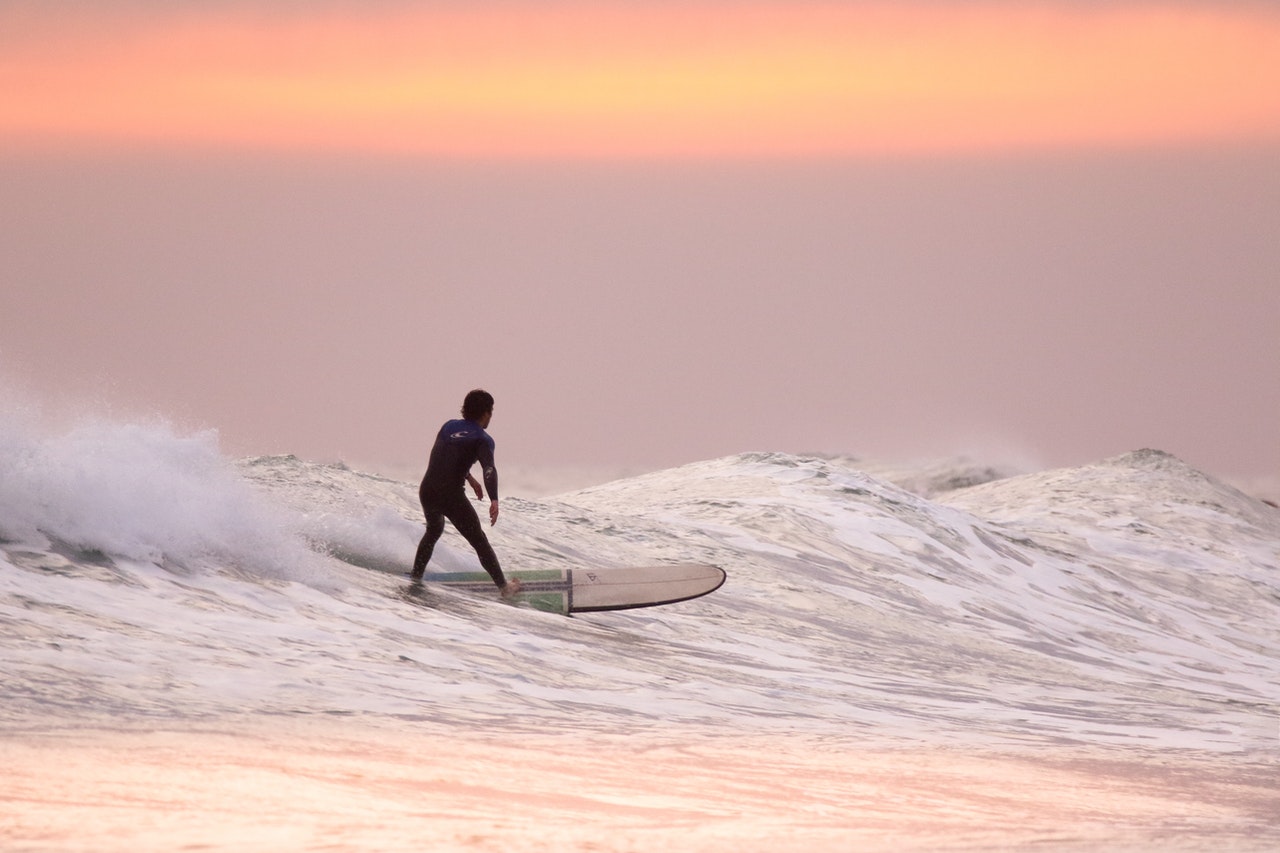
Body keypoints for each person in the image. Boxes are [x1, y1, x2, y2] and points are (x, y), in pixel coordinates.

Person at [411, 389, 521, 598]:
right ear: (486, 413)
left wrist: (468, 478)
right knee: (479, 541)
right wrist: (494, 498)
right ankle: (504, 588)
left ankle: (416, 577)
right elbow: (489, 469)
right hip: (450, 496)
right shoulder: (482, 439)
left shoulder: (448, 427)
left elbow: (446, 458)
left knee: (434, 530)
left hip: (427, 490)